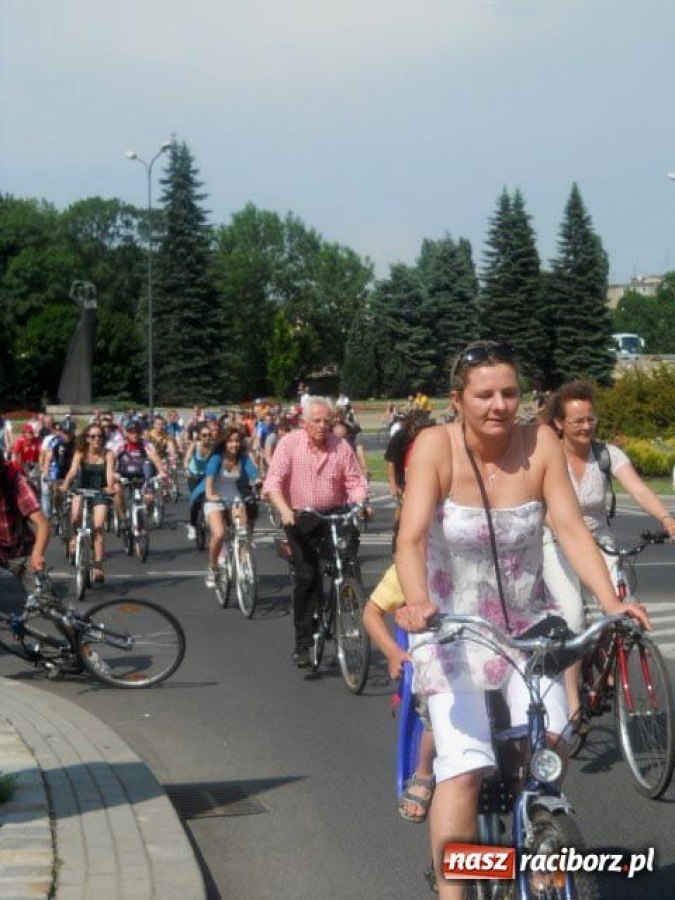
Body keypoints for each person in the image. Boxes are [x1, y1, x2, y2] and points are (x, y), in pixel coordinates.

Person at [393, 341, 650, 900]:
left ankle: (540, 844)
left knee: (548, 748)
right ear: (458, 399)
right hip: (454, 626)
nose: (499, 404)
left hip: (528, 625)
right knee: (462, 773)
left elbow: (572, 530)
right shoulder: (435, 447)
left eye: (509, 392)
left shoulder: (543, 445)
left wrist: (610, 602)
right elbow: (410, 539)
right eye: (484, 394)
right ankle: (453, 890)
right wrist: (416, 602)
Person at [541, 379, 675, 722]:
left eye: (590, 419)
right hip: (555, 541)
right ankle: (571, 701)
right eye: (577, 421)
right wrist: (555, 524)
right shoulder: (547, 454)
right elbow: (536, 502)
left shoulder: (606, 455)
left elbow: (639, 489)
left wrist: (665, 517)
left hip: (600, 541)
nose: (586, 427)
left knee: (621, 610)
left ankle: (601, 662)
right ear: (559, 423)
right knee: (572, 615)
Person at [263, 396, 368, 668]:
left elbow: (355, 481)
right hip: (302, 517)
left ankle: (348, 605)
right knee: (307, 575)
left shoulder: (340, 446)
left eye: (327, 421)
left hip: (334, 513)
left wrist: (360, 502)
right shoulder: (289, 444)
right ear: (304, 423)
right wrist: (285, 510)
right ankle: (302, 641)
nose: (323, 426)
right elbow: (273, 481)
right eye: (317, 421)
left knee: (347, 563)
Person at [363, 564, 436, 823]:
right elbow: (372, 612)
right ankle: (424, 772)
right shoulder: (408, 567)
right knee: (438, 722)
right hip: (440, 661)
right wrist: (393, 652)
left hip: (488, 658)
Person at [198, 426, 258, 587]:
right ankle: (213, 567)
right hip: (215, 499)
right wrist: (211, 495)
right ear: (224, 442)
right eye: (230, 441)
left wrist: (259, 481)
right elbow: (209, 482)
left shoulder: (243, 458)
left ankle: (245, 565)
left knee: (243, 533)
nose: (234, 444)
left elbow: (253, 473)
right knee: (219, 534)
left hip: (234, 498)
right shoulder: (217, 458)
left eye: (237, 440)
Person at [60, 423, 116, 583]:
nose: (96, 439)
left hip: (100, 490)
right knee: (76, 517)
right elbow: (72, 471)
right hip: (82, 488)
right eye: (93, 436)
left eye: (99, 436)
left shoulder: (108, 454)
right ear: (87, 438)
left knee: (98, 527)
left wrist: (110, 487)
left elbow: (109, 474)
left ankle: (98, 565)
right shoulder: (80, 453)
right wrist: (65, 484)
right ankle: (73, 538)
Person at [0, 448, 50, 592]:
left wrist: (36, 555)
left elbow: (42, 524)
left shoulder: (16, 482)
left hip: (18, 551)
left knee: (45, 600)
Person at [184, 423, 213, 541]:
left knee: (214, 500)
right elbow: (188, 458)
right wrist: (186, 468)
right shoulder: (195, 445)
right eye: (204, 435)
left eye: (209, 435)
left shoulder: (213, 446)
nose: (207, 438)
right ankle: (192, 525)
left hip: (207, 477)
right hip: (194, 476)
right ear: (199, 436)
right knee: (195, 501)